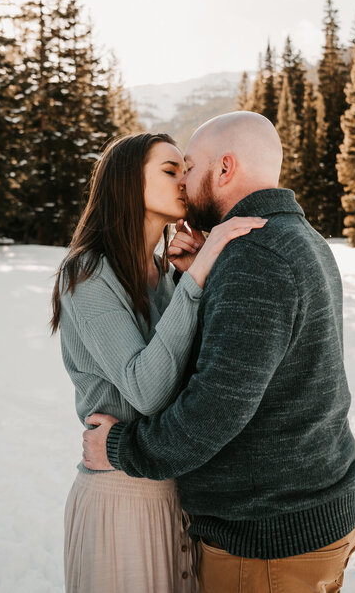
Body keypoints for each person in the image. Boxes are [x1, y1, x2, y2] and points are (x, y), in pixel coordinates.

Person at [82, 111, 355, 593]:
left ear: (225, 169)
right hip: (317, 513)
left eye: (188, 168)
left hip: (268, 540)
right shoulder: (299, 238)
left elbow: (215, 409)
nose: (183, 182)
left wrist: (119, 447)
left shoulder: (252, 257)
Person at [52, 131, 267, 593]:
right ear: (128, 185)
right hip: (121, 496)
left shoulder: (165, 273)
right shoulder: (86, 273)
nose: (185, 181)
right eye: (170, 171)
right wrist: (202, 270)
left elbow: (196, 381)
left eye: (185, 169)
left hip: (178, 495)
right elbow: (146, 390)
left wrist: (188, 278)